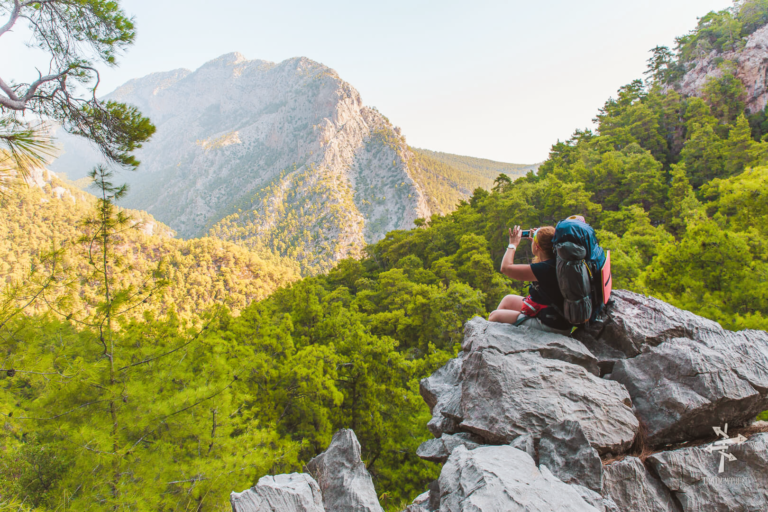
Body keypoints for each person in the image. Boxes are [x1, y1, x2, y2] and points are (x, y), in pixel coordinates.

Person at [488, 225, 573, 334]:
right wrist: (539, 243)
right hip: (558, 317)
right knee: (508, 300)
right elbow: (544, 256)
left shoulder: (544, 269)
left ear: (537, 247)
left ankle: (489, 343)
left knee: (495, 316)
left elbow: (505, 268)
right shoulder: (558, 261)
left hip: (551, 325)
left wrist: (513, 244)